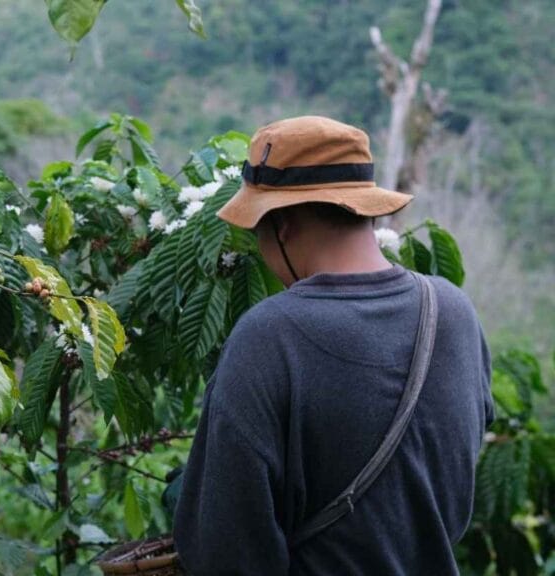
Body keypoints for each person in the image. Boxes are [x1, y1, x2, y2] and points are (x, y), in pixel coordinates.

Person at [172, 116, 493, 574]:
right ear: (364, 209)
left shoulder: (269, 337)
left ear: (281, 225)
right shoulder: (453, 312)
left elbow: (226, 549)